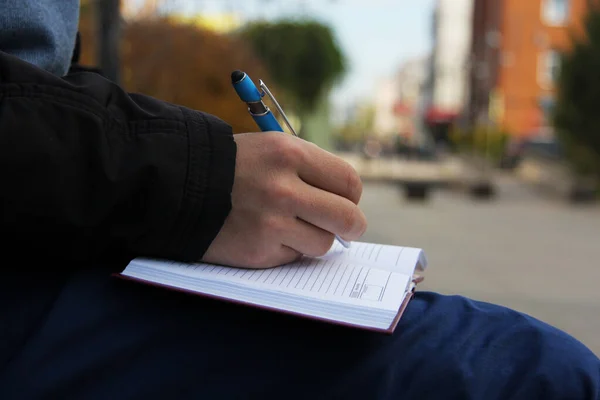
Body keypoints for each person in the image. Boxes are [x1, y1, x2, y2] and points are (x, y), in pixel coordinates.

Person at [0, 2, 598, 399]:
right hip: (26, 279)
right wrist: (194, 182)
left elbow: (40, 86)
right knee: (534, 374)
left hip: (55, 239)